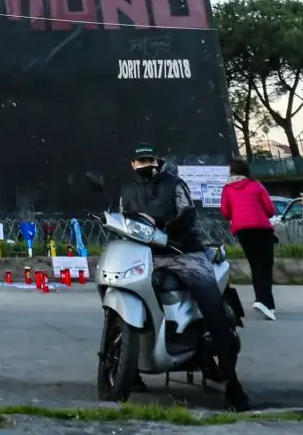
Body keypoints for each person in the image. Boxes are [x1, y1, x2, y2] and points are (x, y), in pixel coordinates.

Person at [118, 144, 247, 411]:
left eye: (149, 159)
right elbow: (122, 219)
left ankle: (232, 382)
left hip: (183, 252)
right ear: (133, 164)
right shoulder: (127, 190)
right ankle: (130, 368)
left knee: (212, 308)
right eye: (141, 160)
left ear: (157, 160)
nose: (146, 164)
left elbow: (186, 214)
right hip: (145, 255)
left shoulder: (174, 184)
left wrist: (160, 224)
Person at [221, 159, 279, 321]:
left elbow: (225, 212)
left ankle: (267, 304)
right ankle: (264, 302)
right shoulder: (256, 185)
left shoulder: (227, 189)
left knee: (255, 265)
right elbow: (270, 209)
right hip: (261, 229)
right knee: (265, 265)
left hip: (242, 231)